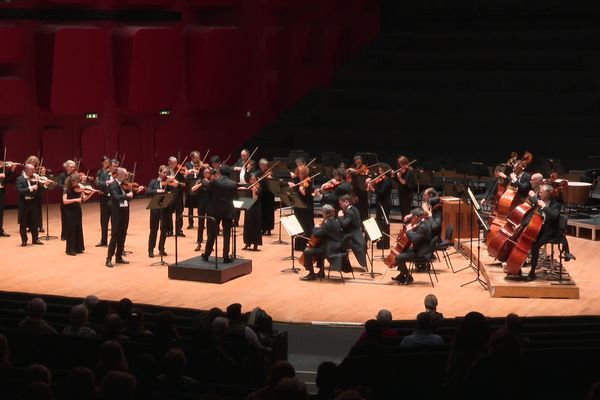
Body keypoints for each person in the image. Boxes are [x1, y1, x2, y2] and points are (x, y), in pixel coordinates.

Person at [526, 184, 573, 280]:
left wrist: (544, 207)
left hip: (551, 232)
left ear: (548, 193)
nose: (540, 193)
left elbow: (554, 216)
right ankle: (523, 264)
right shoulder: (541, 201)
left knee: (535, 247)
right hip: (541, 229)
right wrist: (532, 195)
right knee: (529, 242)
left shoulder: (556, 204)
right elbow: (532, 199)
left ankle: (532, 271)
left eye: (542, 192)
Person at [105, 168, 144, 268]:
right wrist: (127, 195)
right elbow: (116, 197)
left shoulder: (125, 184)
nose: (127, 176)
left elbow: (129, 198)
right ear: (119, 175)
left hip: (125, 211)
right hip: (117, 213)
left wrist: (135, 193)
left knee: (123, 234)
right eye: (125, 174)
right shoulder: (112, 185)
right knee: (115, 235)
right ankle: (109, 258)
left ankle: (119, 256)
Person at [202, 167, 237, 263]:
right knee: (227, 234)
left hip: (215, 210)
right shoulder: (233, 184)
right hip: (227, 211)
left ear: (220, 172)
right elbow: (235, 196)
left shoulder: (215, 181)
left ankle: (206, 255)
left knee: (212, 233)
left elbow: (207, 188)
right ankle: (226, 257)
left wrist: (204, 180)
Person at [300, 204, 342, 281]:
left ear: (325, 213)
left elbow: (316, 234)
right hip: (336, 247)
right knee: (319, 246)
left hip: (330, 249)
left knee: (307, 252)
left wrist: (316, 227)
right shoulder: (336, 221)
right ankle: (321, 272)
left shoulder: (327, 224)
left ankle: (311, 274)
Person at [392, 207, 432, 285]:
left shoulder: (422, 227)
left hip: (421, 253)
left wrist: (408, 230)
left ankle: (407, 277)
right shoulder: (423, 223)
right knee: (402, 251)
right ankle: (402, 274)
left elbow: (414, 239)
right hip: (421, 248)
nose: (411, 220)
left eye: (412, 217)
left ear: (416, 217)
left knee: (398, 257)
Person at [16, 164, 49, 246]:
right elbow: (20, 191)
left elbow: (39, 192)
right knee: (23, 223)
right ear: (27, 170)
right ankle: (24, 240)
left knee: (34, 222)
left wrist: (44, 185)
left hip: (33, 203)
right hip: (24, 204)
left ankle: (35, 239)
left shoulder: (35, 178)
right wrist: (31, 188)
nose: (34, 172)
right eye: (32, 170)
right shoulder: (19, 179)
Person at [62, 174, 93, 255]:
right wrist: (76, 200)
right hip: (69, 211)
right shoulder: (66, 189)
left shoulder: (79, 189)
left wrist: (91, 193)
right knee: (71, 229)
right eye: (77, 181)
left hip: (77, 210)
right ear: (72, 182)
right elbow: (64, 201)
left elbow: (83, 199)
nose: (79, 183)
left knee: (78, 228)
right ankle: (70, 249)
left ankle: (78, 248)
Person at [146, 165, 173, 258]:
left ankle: (161, 249)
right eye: (164, 172)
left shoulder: (168, 183)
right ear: (159, 172)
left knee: (163, 229)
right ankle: (150, 250)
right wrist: (157, 190)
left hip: (165, 209)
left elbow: (173, 193)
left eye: (166, 173)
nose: (165, 174)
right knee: (153, 230)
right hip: (155, 209)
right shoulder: (153, 182)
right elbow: (148, 191)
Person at [338, 194, 368, 269]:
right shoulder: (355, 209)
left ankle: (343, 265)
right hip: (358, 234)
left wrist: (340, 217)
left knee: (336, 242)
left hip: (352, 236)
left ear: (346, 202)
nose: (340, 205)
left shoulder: (350, 212)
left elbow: (344, 224)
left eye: (341, 203)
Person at [289, 165, 314, 251]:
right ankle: (298, 245)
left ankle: (306, 245)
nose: (301, 175)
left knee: (306, 226)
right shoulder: (296, 180)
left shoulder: (309, 181)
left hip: (306, 207)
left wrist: (303, 192)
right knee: (298, 225)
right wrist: (292, 186)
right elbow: (293, 192)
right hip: (298, 206)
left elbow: (308, 196)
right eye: (299, 173)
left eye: (302, 173)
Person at [367, 164, 392, 249]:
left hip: (385, 203)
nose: (379, 172)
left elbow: (381, 192)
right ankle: (379, 242)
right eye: (379, 171)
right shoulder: (381, 180)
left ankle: (385, 244)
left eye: (381, 171)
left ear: (385, 170)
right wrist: (371, 184)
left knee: (385, 222)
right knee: (378, 221)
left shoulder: (387, 180)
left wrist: (373, 189)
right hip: (380, 202)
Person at [96, 158, 119, 247]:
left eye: (117, 166)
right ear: (110, 166)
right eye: (114, 166)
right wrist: (106, 182)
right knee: (104, 221)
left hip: (114, 200)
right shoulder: (104, 174)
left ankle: (114, 241)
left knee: (115, 221)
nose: (116, 168)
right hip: (105, 200)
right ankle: (103, 240)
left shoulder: (119, 174)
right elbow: (98, 183)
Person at [191, 166, 211, 252]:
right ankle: (199, 243)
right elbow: (192, 189)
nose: (207, 174)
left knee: (210, 225)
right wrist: (201, 184)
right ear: (203, 174)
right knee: (201, 225)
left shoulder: (212, 181)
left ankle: (209, 245)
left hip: (210, 205)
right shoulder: (200, 181)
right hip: (201, 205)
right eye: (206, 173)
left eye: (208, 173)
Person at [56, 159, 77, 240]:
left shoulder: (74, 175)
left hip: (73, 197)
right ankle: (64, 235)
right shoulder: (62, 175)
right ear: (67, 167)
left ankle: (72, 234)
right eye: (71, 167)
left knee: (72, 217)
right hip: (65, 198)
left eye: (73, 167)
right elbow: (59, 185)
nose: (73, 168)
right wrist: (67, 186)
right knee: (65, 217)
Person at [242, 173, 263, 251]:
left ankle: (255, 244)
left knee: (255, 226)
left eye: (254, 180)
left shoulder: (259, 188)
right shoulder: (248, 187)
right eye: (251, 180)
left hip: (255, 209)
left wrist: (254, 191)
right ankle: (247, 243)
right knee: (247, 225)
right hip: (248, 208)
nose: (252, 181)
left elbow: (254, 199)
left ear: (257, 180)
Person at [166, 156, 186, 237]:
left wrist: (179, 183)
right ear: (169, 162)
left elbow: (184, 184)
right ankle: (169, 230)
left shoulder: (180, 172)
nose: (175, 165)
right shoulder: (165, 171)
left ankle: (179, 231)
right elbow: (161, 182)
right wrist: (167, 179)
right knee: (168, 214)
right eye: (173, 163)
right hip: (169, 195)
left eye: (176, 163)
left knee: (179, 214)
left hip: (178, 196)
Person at [346, 155, 370, 221]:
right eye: (357, 160)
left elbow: (365, 173)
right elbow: (348, 179)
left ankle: (363, 225)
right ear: (355, 161)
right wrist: (348, 172)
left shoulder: (364, 167)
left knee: (363, 209)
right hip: (355, 192)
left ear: (361, 161)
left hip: (362, 191)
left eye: (360, 160)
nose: (358, 161)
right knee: (356, 208)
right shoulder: (353, 168)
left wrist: (355, 171)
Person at [184, 150, 203, 229]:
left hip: (199, 186)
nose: (198, 159)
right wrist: (189, 172)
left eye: (199, 158)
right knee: (190, 206)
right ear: (192, 158)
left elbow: (204, 174)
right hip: (190, 186)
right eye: (196, 158)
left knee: (200, 207)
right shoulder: (187, 164)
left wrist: (200, 171)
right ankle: (190, 223)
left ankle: (201, 223)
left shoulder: (201, 165)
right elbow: (185, 175)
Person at [258, 158, 275, 235]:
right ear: (260, 165)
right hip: (262, 195)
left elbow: (273, 182)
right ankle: (262, 228)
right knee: (262, 213)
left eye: (266, 166)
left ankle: (269, 229)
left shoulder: (270, 173)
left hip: (269, 195)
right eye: (263, 166)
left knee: (269, 213)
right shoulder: (258, 173)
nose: (265, 167)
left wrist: (271, 179)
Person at [0, 160, 16, 237]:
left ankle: (0, 230)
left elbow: (9, 179)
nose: (2, 164)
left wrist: (12, 169)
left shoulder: (2, 171)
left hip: (1, 193)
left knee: (0, 212)